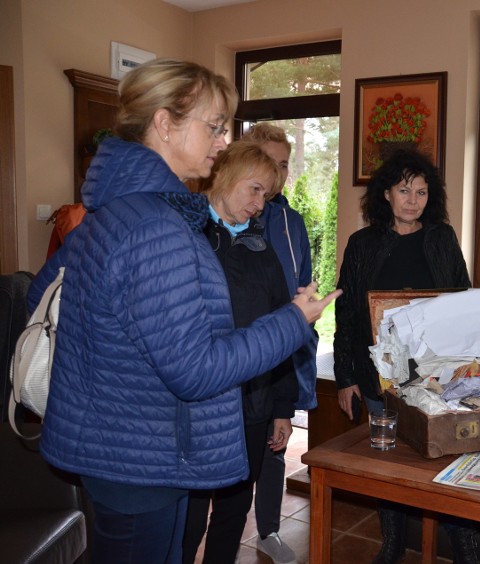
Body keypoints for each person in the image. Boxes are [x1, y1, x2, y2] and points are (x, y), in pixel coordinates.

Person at [27, 59, 339, 564]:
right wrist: (292, 321)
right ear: (165, 124)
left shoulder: (110, 209)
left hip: (113, 445)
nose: (222, 142)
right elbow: (197, 371)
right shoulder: (156, 227)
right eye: (214, 127)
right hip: (141, 462)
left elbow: (41, 293)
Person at [333, 148, 476, 564]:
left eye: (421, 191)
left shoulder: (443, 239)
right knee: (387, 461)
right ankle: (392, 543)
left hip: (436, 377)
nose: (413, 200)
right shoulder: (362, 245)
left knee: (445, 459)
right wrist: (345, 377)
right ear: (386, 195)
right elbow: (347, 315)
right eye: (404, 190)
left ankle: (465, 551)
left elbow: (462, 304)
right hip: (379, 375)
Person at [181, 142, 296, 564]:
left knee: (233, 509)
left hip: (251, 403)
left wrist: (282, 408)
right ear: (226, 178)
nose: (259, 204)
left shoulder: (261, 252)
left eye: (265, 194)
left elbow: (282, 333)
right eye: (254, 190)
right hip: (195, 404)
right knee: (189, 513)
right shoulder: (184, 238)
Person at [244, 123, 318, 563]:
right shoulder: (233, 216)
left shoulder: (292, 221)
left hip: (284, 350)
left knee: (276, 440)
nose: (278, 172)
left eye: (285, 163)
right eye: (269, 162)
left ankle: (268, 530)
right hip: (242, 350)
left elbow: (304, 277)